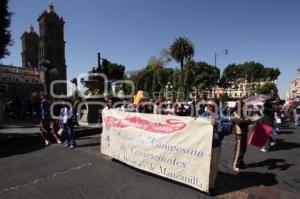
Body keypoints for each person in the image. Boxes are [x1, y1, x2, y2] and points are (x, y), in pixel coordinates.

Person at [199, 100, 233, 195]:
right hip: (203, 146)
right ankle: (201, 183)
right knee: (203, 166)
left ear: (217, 106)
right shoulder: (203, 115)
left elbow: (228, 129)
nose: (209, 107)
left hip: (215, 146)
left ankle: (211, 186)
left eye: (211, 105)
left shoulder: (222, 116)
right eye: (208, 105)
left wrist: (218, 124)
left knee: (213, 167)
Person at [232, 102, 257, 171]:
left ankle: (241, 163)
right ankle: (235, 164)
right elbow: (239, 122)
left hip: (244, 132)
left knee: (243, 150)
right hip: (239, 133)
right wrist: (251, 121)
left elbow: (245, 120)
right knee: (238, 150)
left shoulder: (242, 113)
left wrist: (252, 119)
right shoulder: (235, 113)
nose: (244, 108)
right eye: (243, 106)